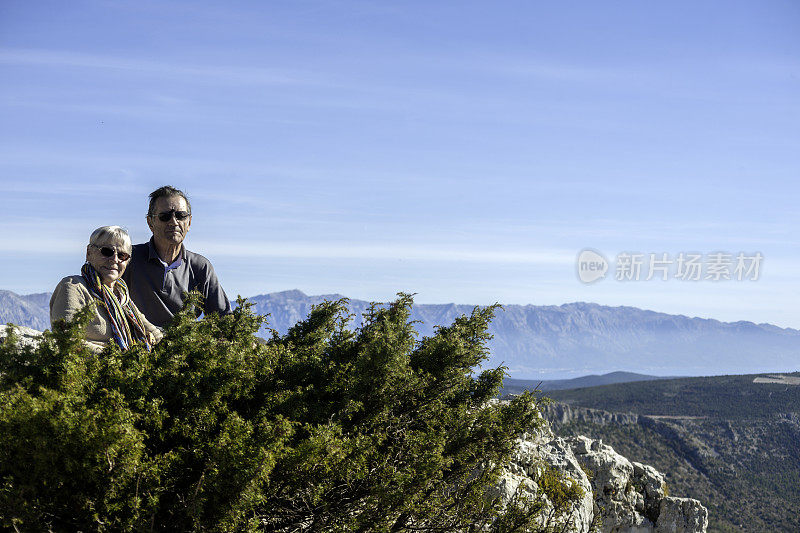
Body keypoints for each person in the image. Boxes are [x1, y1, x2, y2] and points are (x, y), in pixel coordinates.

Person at [123, 185, 232, 328]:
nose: (174, 222)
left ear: (189, 222)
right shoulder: (127, 258)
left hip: (183, 347)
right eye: (165, 216)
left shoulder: (200, 267)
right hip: (137, 346)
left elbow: (223, 318)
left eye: (181, 216)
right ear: (150, 222)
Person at [50, 226, 163, 353]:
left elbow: (153, 332)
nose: (114, 259)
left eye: (122, 255)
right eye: (107, 251)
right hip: (91, 368)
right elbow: (67, 338)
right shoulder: (73, 287)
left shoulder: (122, 298)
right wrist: (114, 359)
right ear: (89, 253)